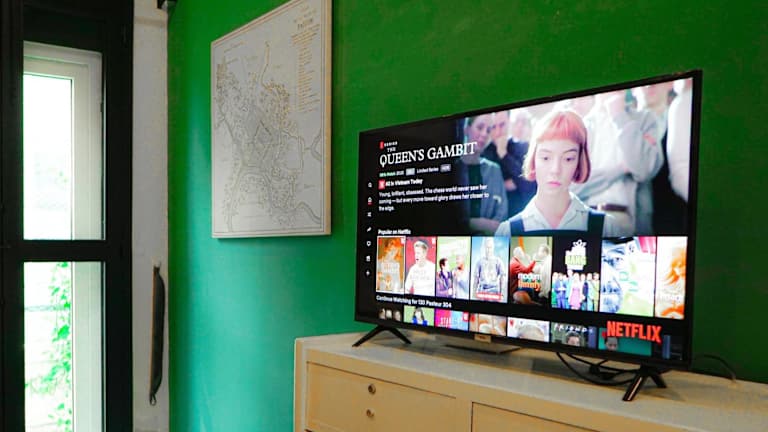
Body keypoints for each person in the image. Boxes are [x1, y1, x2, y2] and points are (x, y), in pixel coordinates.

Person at [495, 110, 621, 236]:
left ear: (579, 163)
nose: (555, 170)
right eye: (546, 158)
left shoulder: (606, 227)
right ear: (533, 159)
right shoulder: (507, 231)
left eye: (568, 159)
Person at [570, 89, 663, 236]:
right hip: (584, 220)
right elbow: (570, 188)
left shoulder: (644, 119)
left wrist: (619, 116)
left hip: (629, 222)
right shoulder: (580, 127)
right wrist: (620, 170)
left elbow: (644, 169)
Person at [455, 114, 508, 235]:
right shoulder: (452, 169)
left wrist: (471, 223)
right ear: (466, 129)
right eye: (479, 127)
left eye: (488, 130)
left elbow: (502, 219)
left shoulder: (494, 170)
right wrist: (477, 224)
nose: (484, 134)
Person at [471, 237, 507, 302]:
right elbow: (476, 279)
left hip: (494, 291)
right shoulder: (479, 262)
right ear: (484, 248)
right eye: (487, 247)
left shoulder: (498, 261)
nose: (488, 250)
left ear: (493, 247)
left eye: (490, 247)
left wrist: (502, 293)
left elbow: (503, 278)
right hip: (482, 291)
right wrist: (474, 293)